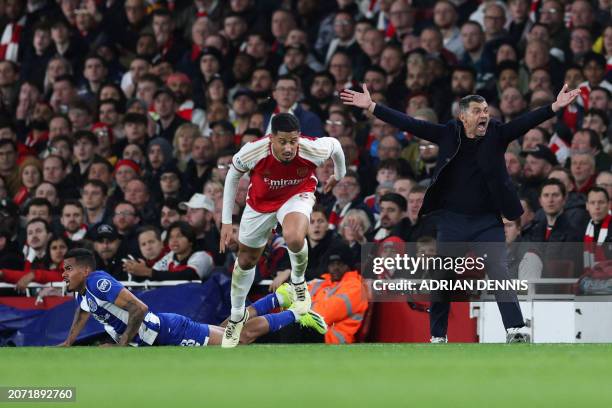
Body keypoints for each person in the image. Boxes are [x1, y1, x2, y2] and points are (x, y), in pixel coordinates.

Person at [341, 82, 580, 343]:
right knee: (443, 276)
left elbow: (524, 122)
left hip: (488, 220)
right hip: (453, 221)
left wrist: (554, 107)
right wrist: (373, 106)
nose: (485, 115)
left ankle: (515, 330)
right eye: (478, 111)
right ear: (463, 116)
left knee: (499, 270)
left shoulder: (497, 134)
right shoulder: (447, 134)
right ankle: (437, 335)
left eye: (486, 110)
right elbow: (410, 123)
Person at [219, 112, 346, 348]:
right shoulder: (253, 151)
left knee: (294, 237)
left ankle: (298, 285)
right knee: (246, 260)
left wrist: (340, 174)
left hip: (296, 195)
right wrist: (226, 221)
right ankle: (237, 315)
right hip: (260, 204)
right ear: (271, 139)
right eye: (283, 141)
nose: (289, 148)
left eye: (293, 141)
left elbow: (336, 146)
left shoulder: (312, 149)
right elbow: (232, 176)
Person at [60, 248, 326, 347]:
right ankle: (278, 298)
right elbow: (83, 311)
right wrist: (69, 341)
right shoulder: (85, 293)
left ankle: (297, 314)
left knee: (238, 340)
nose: (64, 274)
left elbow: (139, 309)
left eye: (68, 269)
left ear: (85, 270)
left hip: (166, 332)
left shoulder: (98, 282)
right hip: (162, 333)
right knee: (229, 332)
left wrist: (121, 347)